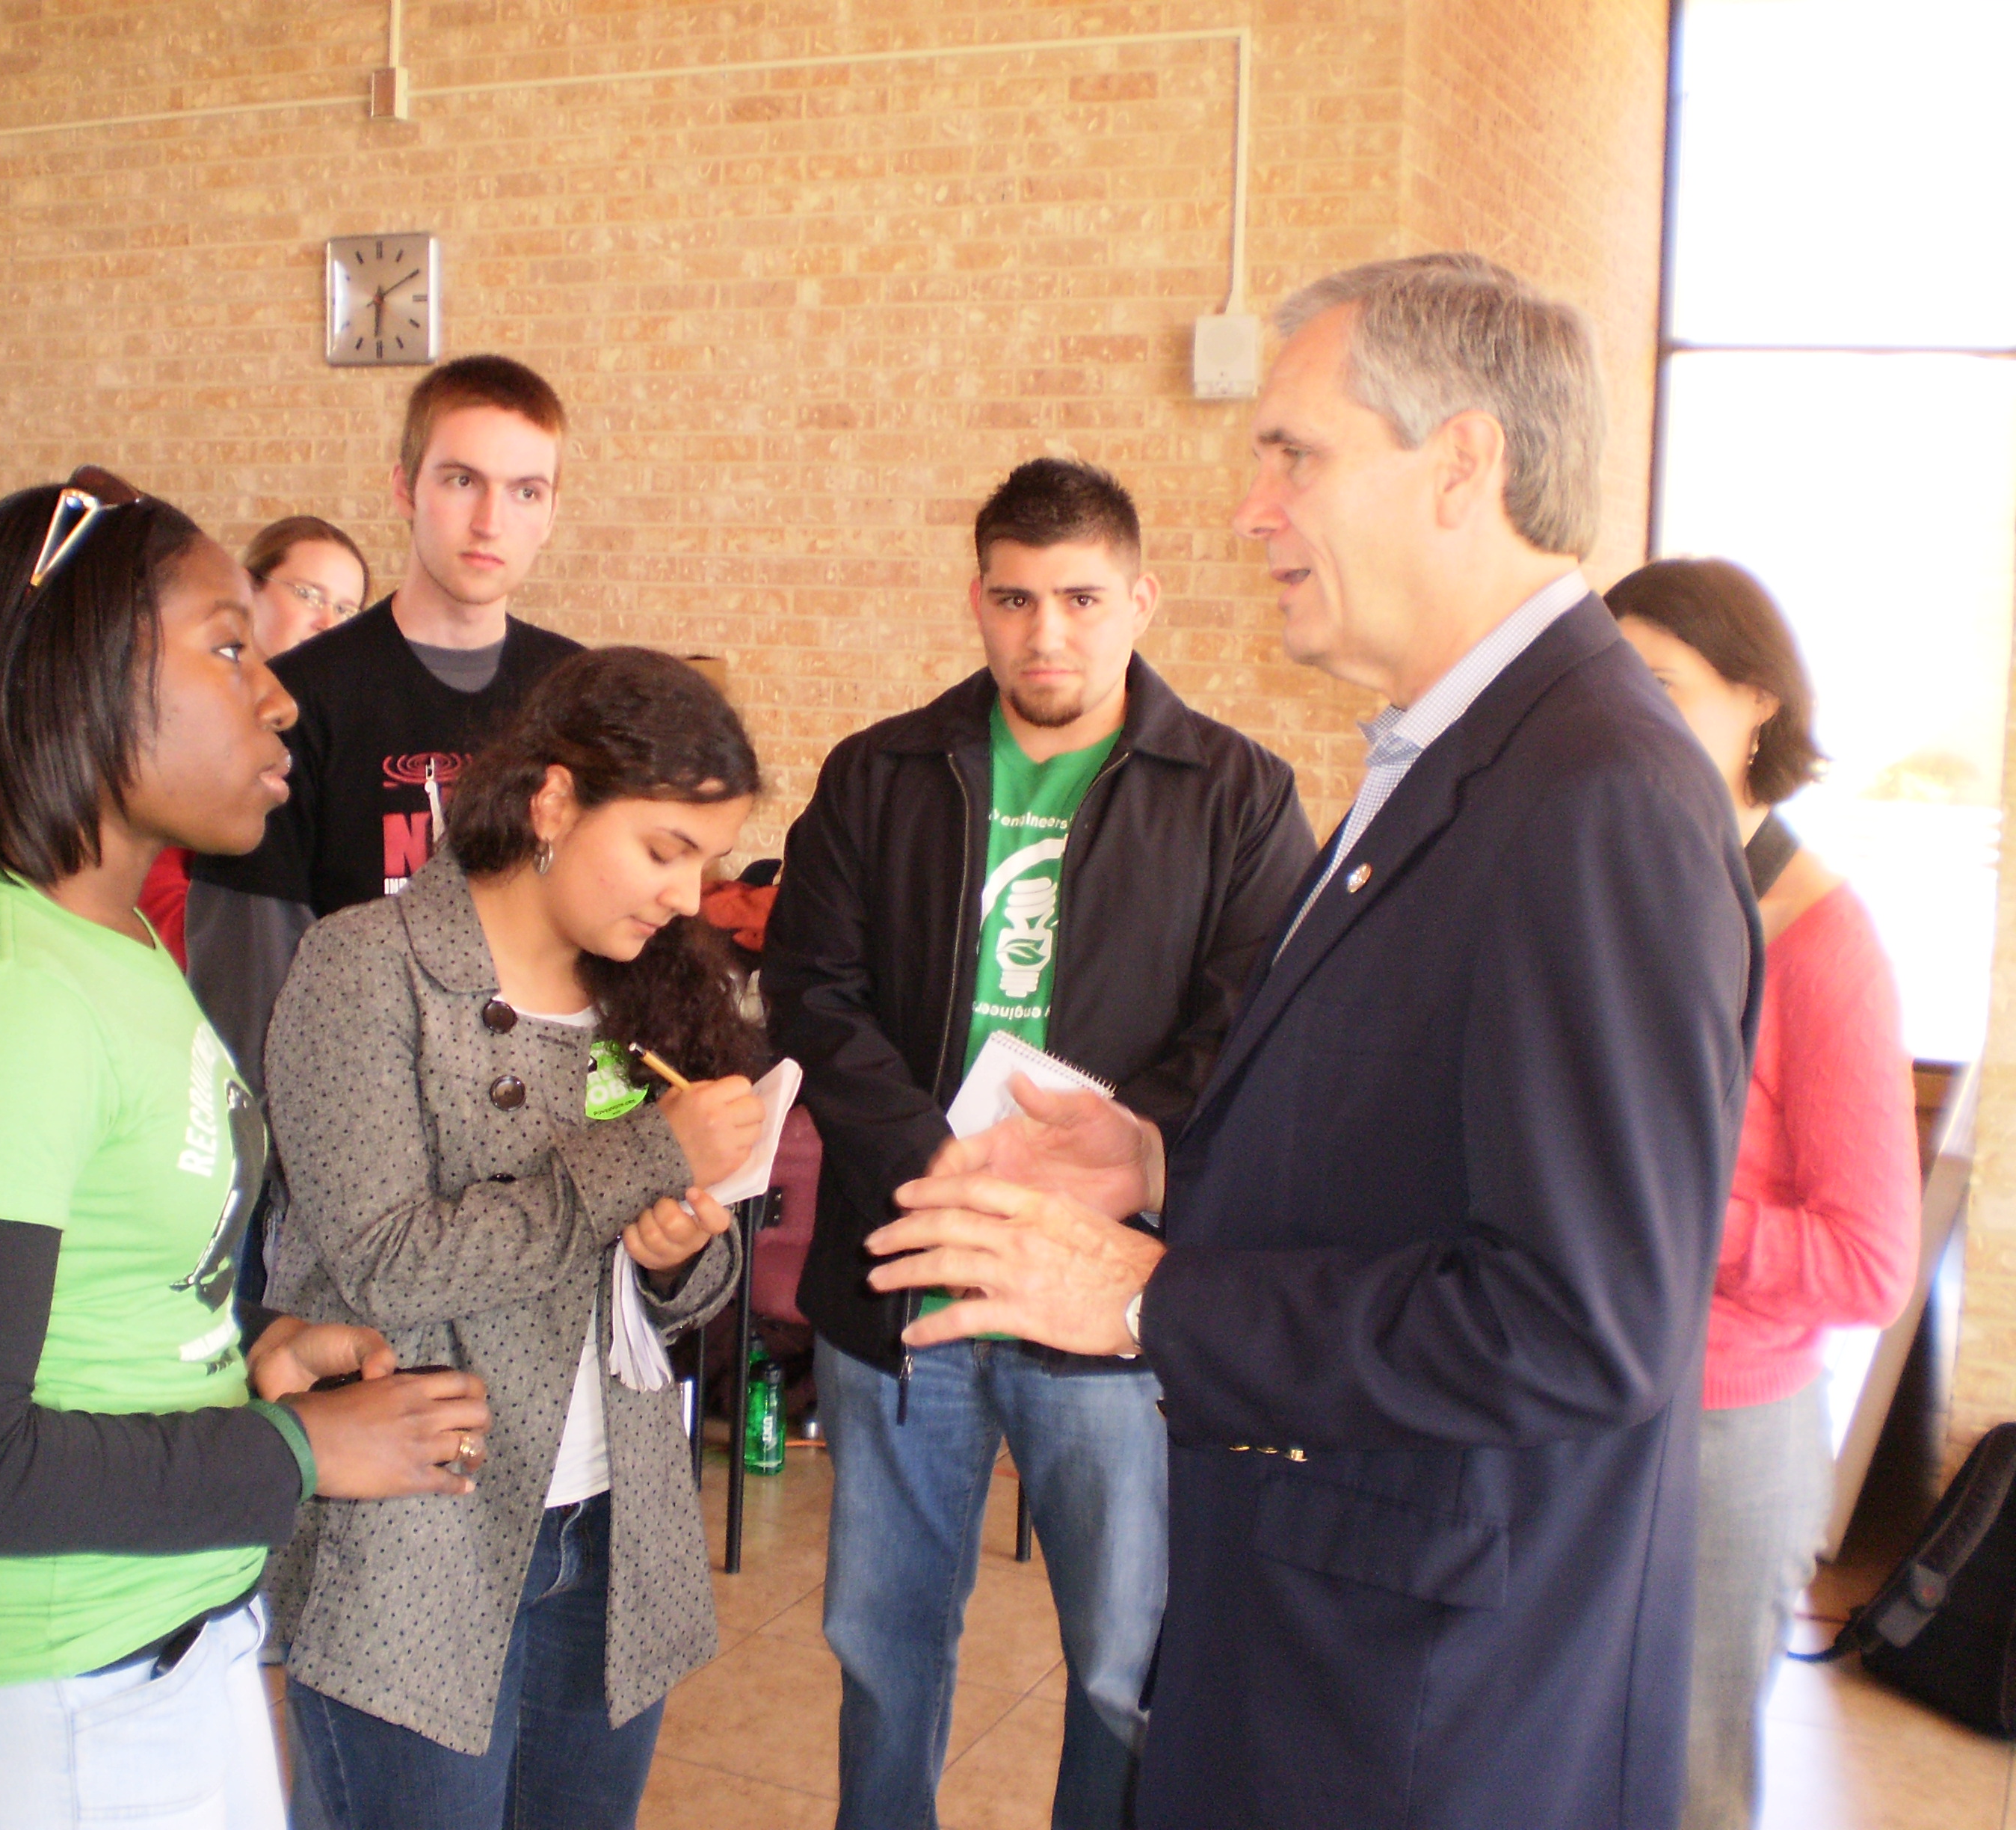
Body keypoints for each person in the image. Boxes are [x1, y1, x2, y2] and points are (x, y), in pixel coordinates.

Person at [866, 253, 1763, 1829]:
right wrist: (1152, 1156)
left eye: (1297, 454)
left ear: (1462, 465)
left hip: (1429, 1702)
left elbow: (1580, 1319)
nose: (1250, 511)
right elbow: (1413, 1134)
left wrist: (1156, 1300)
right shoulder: (1463, 754)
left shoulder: (1595, 793)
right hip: (1333, 1635)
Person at [0, 467, 493, 1830]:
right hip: (49, 1683)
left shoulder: (110, 939)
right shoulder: (9, 991)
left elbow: (96, 1288)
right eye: (228, 643)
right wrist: (297, 1448)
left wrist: (242, 1364)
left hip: (140, 1637)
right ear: (77, 679)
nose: (281, 693)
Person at [762, 458, 1317, 1828]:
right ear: (975, 600)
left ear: (1138, 596)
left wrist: (1104, 1161)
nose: (1044, 633)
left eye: (1078, 597)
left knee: (1125, 1667)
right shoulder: (878, 770)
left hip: (1109, 1296)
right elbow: (810, 990)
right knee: (881, 1649)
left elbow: (1252, 1028)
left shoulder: (1237, 792)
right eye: (1012, 598)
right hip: (909, 1277)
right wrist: (931, 1160)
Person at [261, 646, 765, 1830]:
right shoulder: (365, 968)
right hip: (419, 1535)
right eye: (662, 850)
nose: (688, 898)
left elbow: (700, 1268)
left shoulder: (656, 988)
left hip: (613, 1524)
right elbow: (389, 1260)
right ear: (551, 801)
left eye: (708, 861)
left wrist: (677, 1250)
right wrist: (648, 1158)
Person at [1608, 557, 1921, 1830]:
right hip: (1582, 1385)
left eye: (1661, 686)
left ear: (1754, 706)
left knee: (1682, 1784)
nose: (1625, 715)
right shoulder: (1621, 889)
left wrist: (1654, 1212)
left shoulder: (1825, 944)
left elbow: (1864, 1262)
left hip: (1724, 1430)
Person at [186, 357, 584, 1103]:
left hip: (536, 1126)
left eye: (525, 491)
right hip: (355, 1132)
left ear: (552, 512)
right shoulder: (293, 702)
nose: (490, 521)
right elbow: (247, 993)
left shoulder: (581, 700)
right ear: (405, 487)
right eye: (461, 481)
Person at [138, 514, 372, 965]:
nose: (328, 622)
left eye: (346, 609)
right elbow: (159, 900)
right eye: (309, 595)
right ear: (246, 589)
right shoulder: (194, 714)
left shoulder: (337, 736)